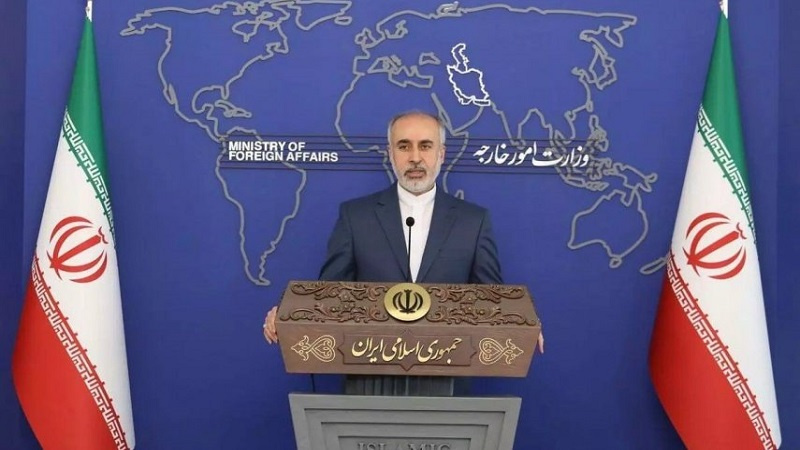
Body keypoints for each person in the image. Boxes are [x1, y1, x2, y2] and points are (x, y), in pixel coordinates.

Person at [264, 111, 543, 353]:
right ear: (391, 153)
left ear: (441, 154)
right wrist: (289, 315)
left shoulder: (473, 221)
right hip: (369, 375)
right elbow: (328, 294)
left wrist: (522, 325)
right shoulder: (355, 217)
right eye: (404, 146)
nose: (415, 158)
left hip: (448, 378)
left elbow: (492, 301)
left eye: (425, 146)